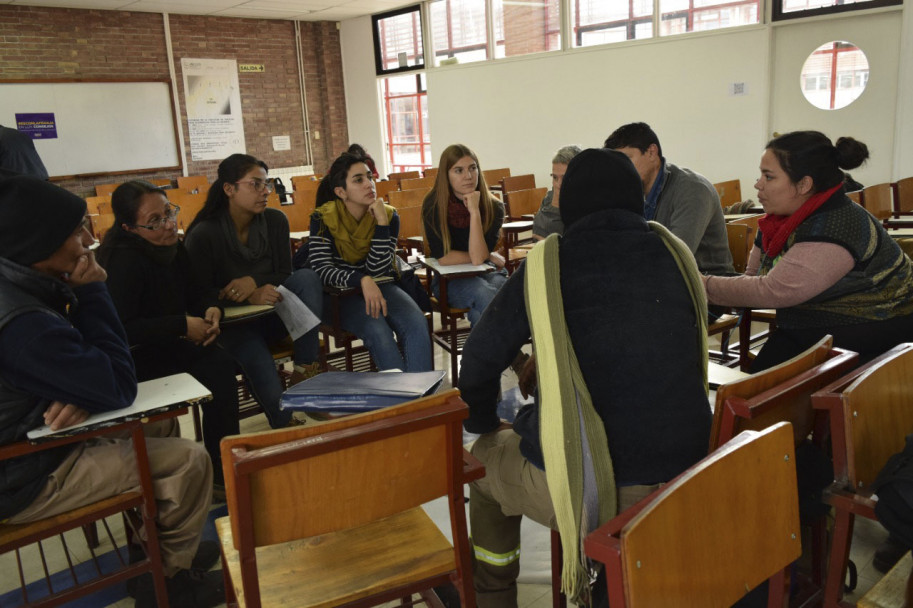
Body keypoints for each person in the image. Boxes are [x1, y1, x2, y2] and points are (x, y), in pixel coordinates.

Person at [459, 149, 711, 608]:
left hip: (605, 486)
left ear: (568, 203)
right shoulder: (674, 251)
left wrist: (481, 421)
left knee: (481, 464)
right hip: (692, 469)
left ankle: (492, 597)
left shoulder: (549, 261)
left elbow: (478, 359)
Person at [0, 176, 223, 608]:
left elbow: (89, 371)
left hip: (34, 433)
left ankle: (156, 554)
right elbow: (120, 384)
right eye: (77, 231)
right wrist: (93, 292)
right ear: (40, 243)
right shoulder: (24, 322)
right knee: (190, 463)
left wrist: (81, 390)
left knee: (159, 425)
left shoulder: (22, 282)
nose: (89, 239)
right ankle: (167, 587)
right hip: (25, 472)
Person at [702, 131, 913, 372]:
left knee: (760, 391)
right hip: (817, 319)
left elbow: (774, 291)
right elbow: (753, 278)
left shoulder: (836, 225)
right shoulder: (777, 222)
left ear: (804, 184)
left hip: (878, 322)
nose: (758, 184)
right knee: (762, 381)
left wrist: (700, 284)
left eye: (768, 177)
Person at [97, 180, 240, 495]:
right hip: (133, 357)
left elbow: (197, 291)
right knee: (216, 366)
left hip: (169, 342)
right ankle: (220, 465)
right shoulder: (122, 260)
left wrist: (211, 310)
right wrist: (181, 325)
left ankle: (225, 462)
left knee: (221, 363)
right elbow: (123, 328)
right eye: (155, 221)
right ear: (129, 228)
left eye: (169, 213)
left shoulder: (174, 248)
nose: (168, 225)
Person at [184, 153, 323, 429]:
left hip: (272, 315)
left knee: (307, 278)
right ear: (229, 189)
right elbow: (197, 296)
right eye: (255, 185)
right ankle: (285, 427)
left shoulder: (275, 221)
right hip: (232, 326)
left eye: (267, 184)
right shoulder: (204, 234)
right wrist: (248, 294)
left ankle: (305, 369)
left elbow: (285, 274)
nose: (265, 192)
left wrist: (253, 282)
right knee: (259, 362)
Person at [308, 152, 432, 372]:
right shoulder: (322, 218)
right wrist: (362, 279)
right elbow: (323, 270)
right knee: (378, 329)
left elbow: (378, 269)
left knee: (416, 323)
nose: (369, 184)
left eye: (369, 177)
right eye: (358, 180)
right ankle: (402, 402)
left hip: (380, 285)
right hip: (338, 295)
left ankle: (422, 400)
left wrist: (382, 225)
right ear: (340, 192)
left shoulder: (388, 216)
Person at [604, 122, 734, 276]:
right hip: (660, 282)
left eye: (626, 160)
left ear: (652, 152)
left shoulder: (693, 189)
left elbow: (676, 258)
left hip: (706, 286)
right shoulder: (630, 191)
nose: (620, 170)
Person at [421, 144, 507, 325]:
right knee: (486, 294)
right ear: (447, 175)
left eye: (472, 168)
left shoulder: (494, 207)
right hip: (449, 280)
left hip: (486, 272)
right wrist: (487, 254)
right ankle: (511, 354)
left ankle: (483, 353)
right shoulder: (434, 205)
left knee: (499, 295)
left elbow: (478, 260)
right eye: (458, 170)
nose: (468, 176)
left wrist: (474, 212)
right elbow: (445, 258)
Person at [532, 144, 581, 240]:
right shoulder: (549, 198)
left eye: (565, 178)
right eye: (555, 177)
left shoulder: (587, 203)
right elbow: (537, 232)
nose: (558, 184)